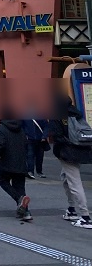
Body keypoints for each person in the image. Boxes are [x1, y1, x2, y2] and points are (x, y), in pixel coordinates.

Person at [48, 96, 92, 229]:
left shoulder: (56, 115)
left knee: (74, 182)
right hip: (81, 150)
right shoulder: (76, 113)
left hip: (67, 153)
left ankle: (85, 217)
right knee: (66, 178)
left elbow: (56, 135)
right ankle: (71, 209)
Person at [0, 119, 32, 221]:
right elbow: (26, 144)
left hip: (7, 161)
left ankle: (19, 199)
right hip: (21, 162)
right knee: (20, 187)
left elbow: (0, 145)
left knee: (2, 181)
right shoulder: (21, 128)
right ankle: (26, 212)